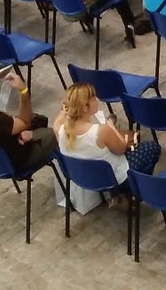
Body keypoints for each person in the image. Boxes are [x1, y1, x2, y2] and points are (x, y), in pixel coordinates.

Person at [54, 82, 158, 210]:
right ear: (85, 107)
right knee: (152, 147)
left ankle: (118, 195)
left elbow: (57, 121)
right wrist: (111, 126)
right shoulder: (101, 131)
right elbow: (121, 149)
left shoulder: (59, 130)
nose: (98, 99)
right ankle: (129, 191)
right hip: (113, 179)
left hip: (83, 178)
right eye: (94, 98)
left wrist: (64, 111)